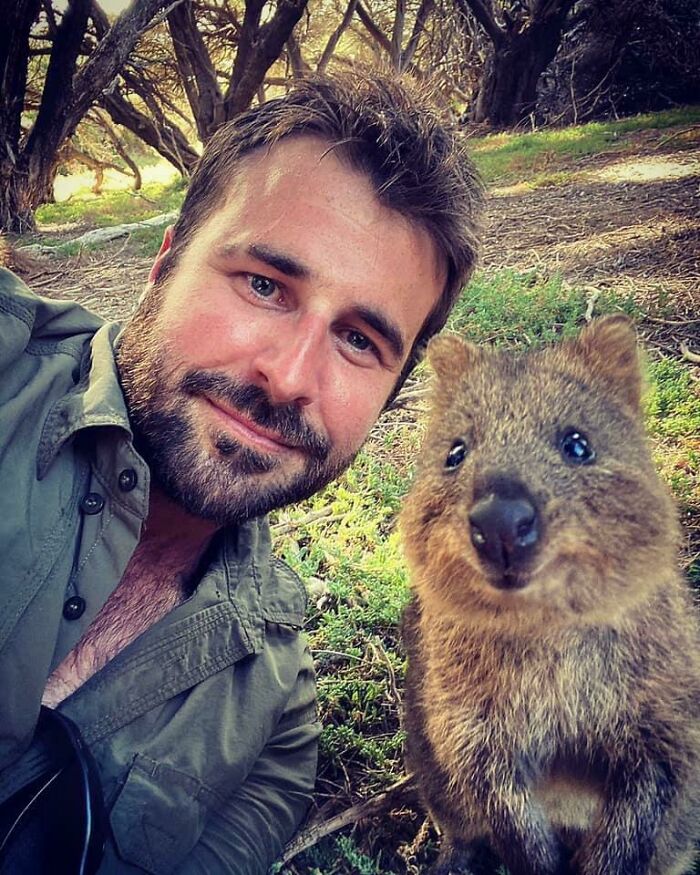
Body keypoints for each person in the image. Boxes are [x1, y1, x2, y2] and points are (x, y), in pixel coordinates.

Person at [0, 71, 483, 873]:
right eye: (265, 284)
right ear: (165, 261)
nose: (292, 376)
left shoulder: (274, 732)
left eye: (361, 340)